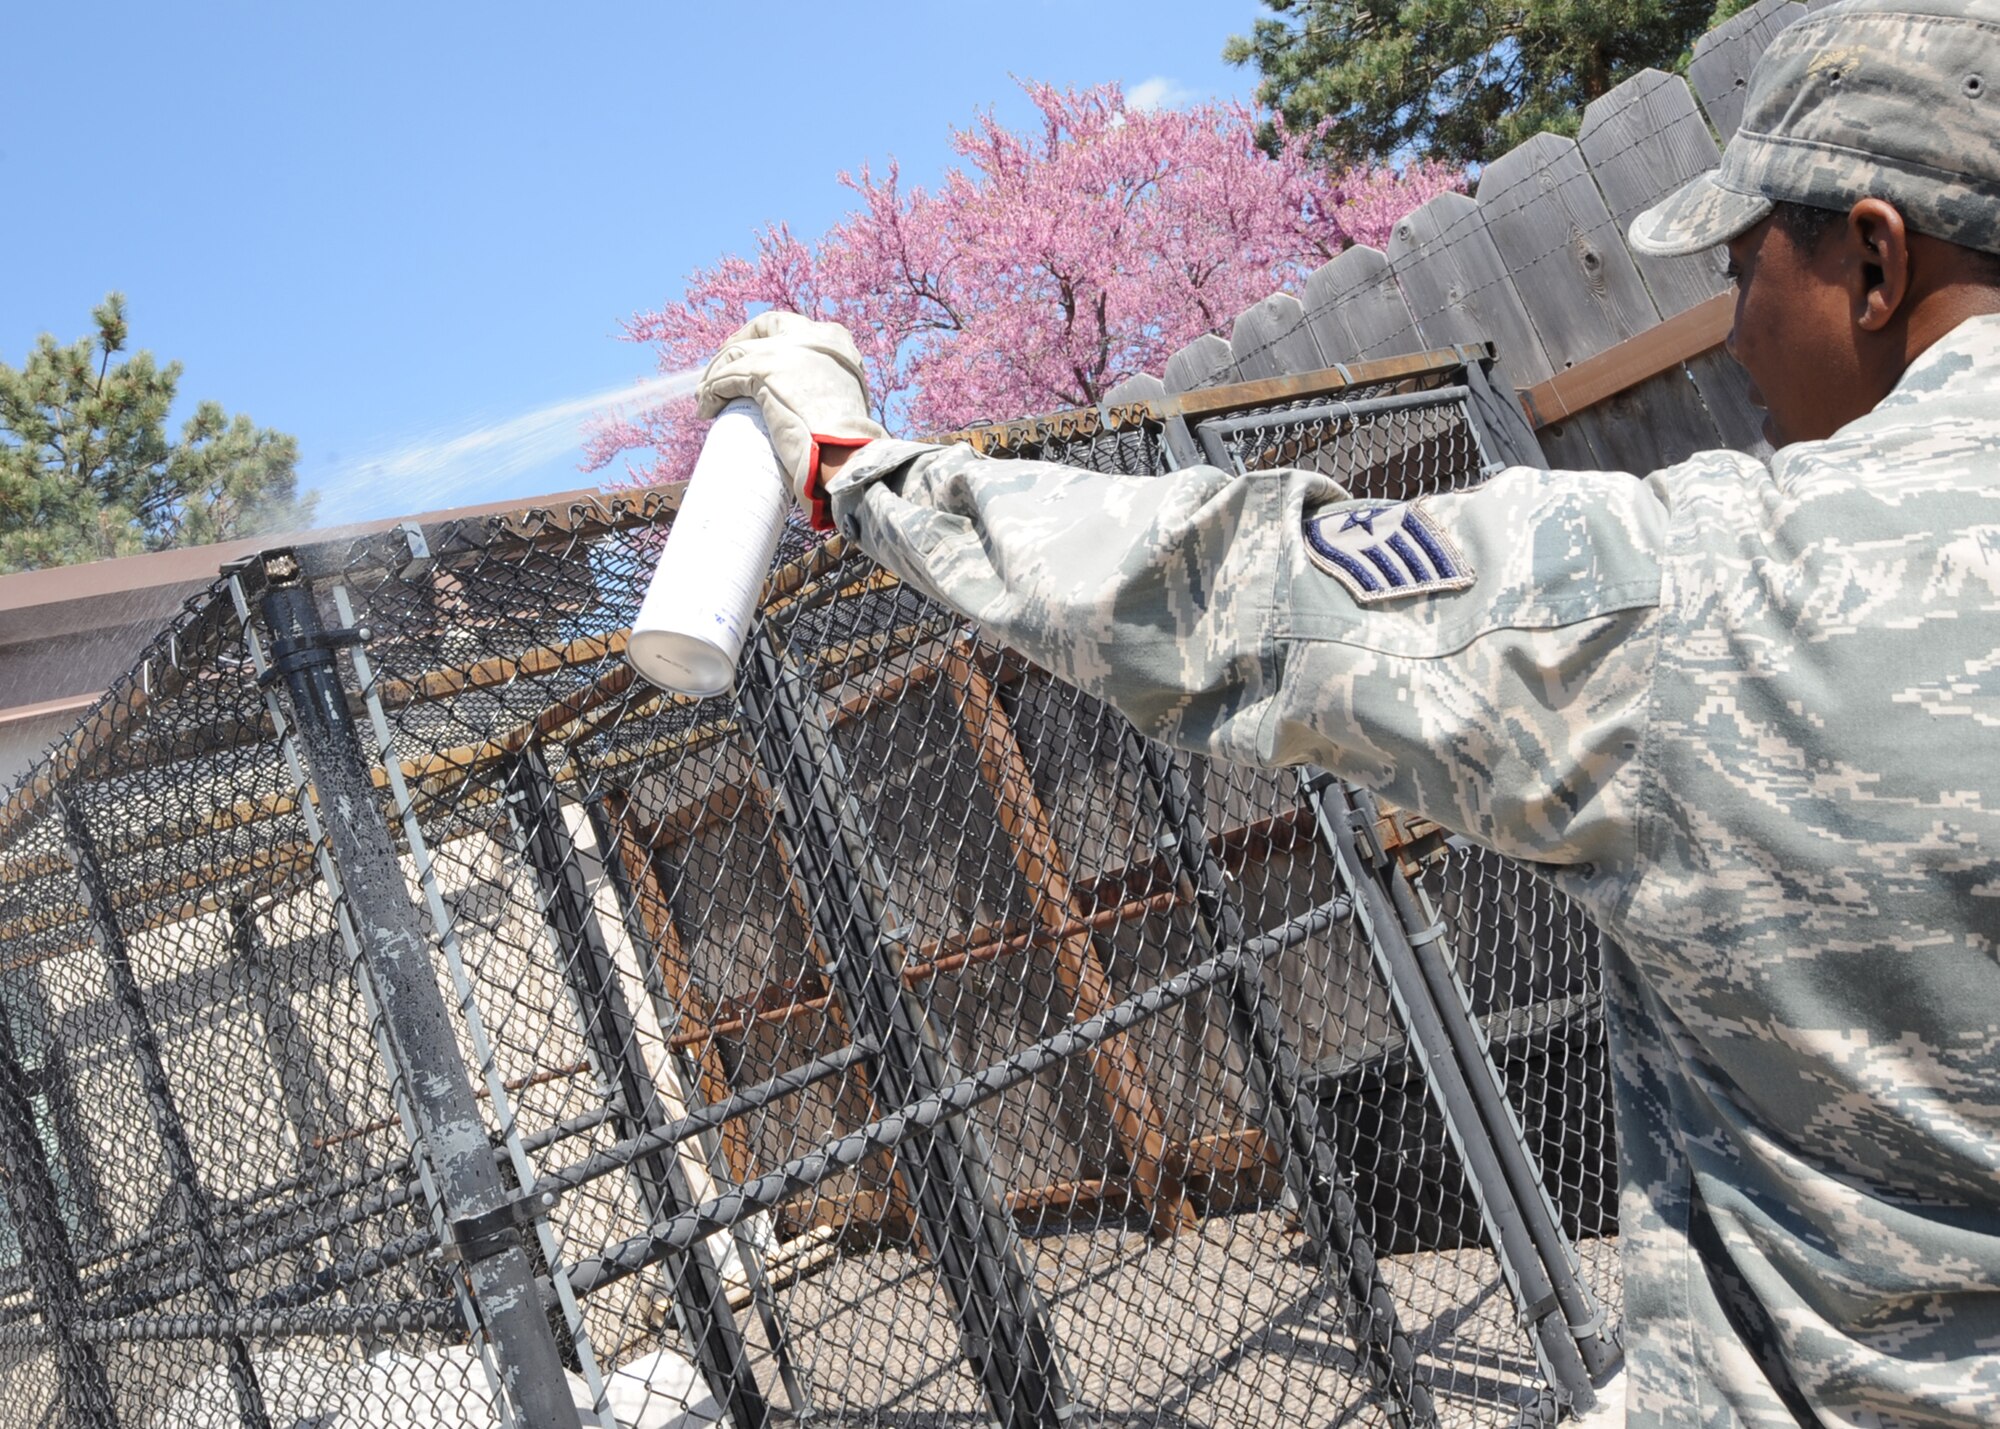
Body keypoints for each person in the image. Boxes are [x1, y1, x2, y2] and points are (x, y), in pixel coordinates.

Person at [694, 2, 2000, 1423]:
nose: (1736, 326)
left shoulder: (1728, 588)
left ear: (1875, 260)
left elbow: (1238, 589)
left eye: (1749, 266)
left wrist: (855, 467)